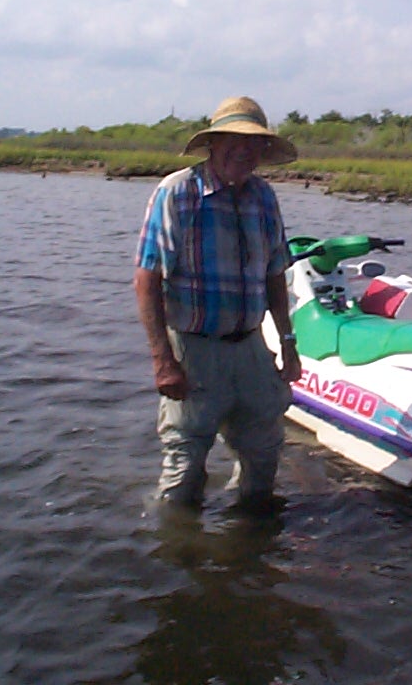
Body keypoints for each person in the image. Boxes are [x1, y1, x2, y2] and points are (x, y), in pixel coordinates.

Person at [134, 96, 303, 512]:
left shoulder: (263, 197)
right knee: (185, 467)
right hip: (194, 349)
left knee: (263, 457)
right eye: (233, 141)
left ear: (263, 153)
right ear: (213, 144)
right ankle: (175, 549)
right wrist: (162, 360)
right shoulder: (176, 193)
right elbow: (147, 279)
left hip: (250, 347)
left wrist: (287, 343)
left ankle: (247, 536)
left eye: (253, 145)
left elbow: (275, 275)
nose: (243, 151)